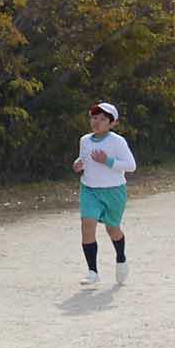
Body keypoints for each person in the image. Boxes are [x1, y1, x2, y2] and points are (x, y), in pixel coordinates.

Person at [72, 101, 137, 287]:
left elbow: (131, 166)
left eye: (102, 119)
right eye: (94, 118)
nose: (96, 122)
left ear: (112, 123)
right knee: (87, 226)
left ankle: (121, 258)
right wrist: (78, 164)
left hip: (114, 190)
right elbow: (84, 160)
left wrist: (107, 161)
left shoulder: (117, 141)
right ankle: (92, 271)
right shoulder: (85, 140)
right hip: (89, 189)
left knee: (112, 229)